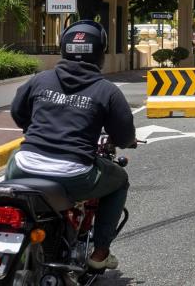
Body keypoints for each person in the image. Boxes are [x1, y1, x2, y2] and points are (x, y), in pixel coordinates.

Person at [8, 20, 134, 271]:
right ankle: (99, 253)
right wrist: (126, 142)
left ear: (64, 48)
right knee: (119, 180)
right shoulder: (106, 90)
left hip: (23, 167)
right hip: (74, 175)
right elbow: (123, 135)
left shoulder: (40, 80)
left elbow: (18, 113)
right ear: (100, 52)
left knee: (13, 166)